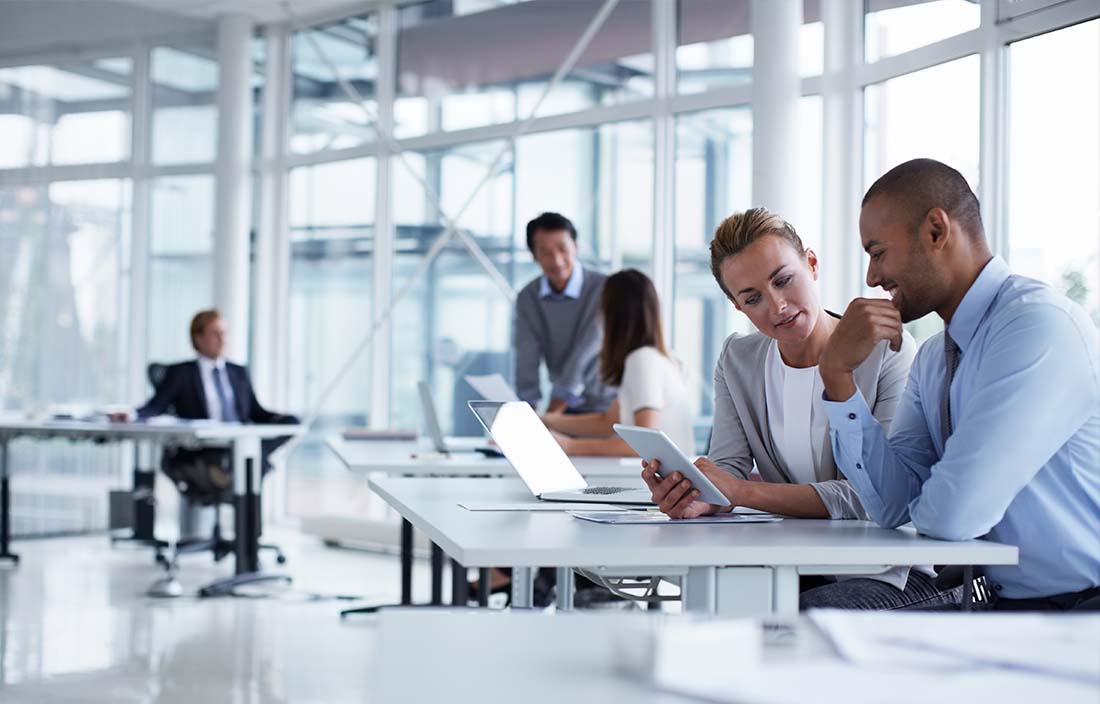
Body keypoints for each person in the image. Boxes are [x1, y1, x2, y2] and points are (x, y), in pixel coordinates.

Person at [815, 158, 1100, 612]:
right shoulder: (933, 358)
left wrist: (928, 498)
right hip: (1007, 610)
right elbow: (892, 505)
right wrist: (836, 376)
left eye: (878, 251)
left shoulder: (1036, 328)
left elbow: (952, 516)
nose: (871, 277)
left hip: (1081, 615)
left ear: (935, 231)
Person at [642, 207, 958, 610]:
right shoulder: (739, 359)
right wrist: (698, 494)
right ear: (737, 307)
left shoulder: (887, 351)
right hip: (799, 564)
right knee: (715, 605)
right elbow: (727, 470)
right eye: (752, 298)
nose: (777, 307)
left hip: (891, 571)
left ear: (811, 264)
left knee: (788, 619)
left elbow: (874, 497)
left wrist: (740, 492)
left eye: (783, 280)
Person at [542, 269, 693, 456]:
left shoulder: (642, 360)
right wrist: (546, 420)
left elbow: (646, 443)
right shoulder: (658, 358)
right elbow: (608, 420)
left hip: (658, 482)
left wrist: (569, 446)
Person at [514, 212, 616, 414]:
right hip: (565, 408)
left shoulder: (605, 288)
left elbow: (587, 350)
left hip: (607, 405)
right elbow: (526, 355)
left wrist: (552, 412)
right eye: (545, 252)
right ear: (534, 255)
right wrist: (525, 414)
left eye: (563, 249)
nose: (557, 260)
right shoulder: (528, 297)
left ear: (575, 247)